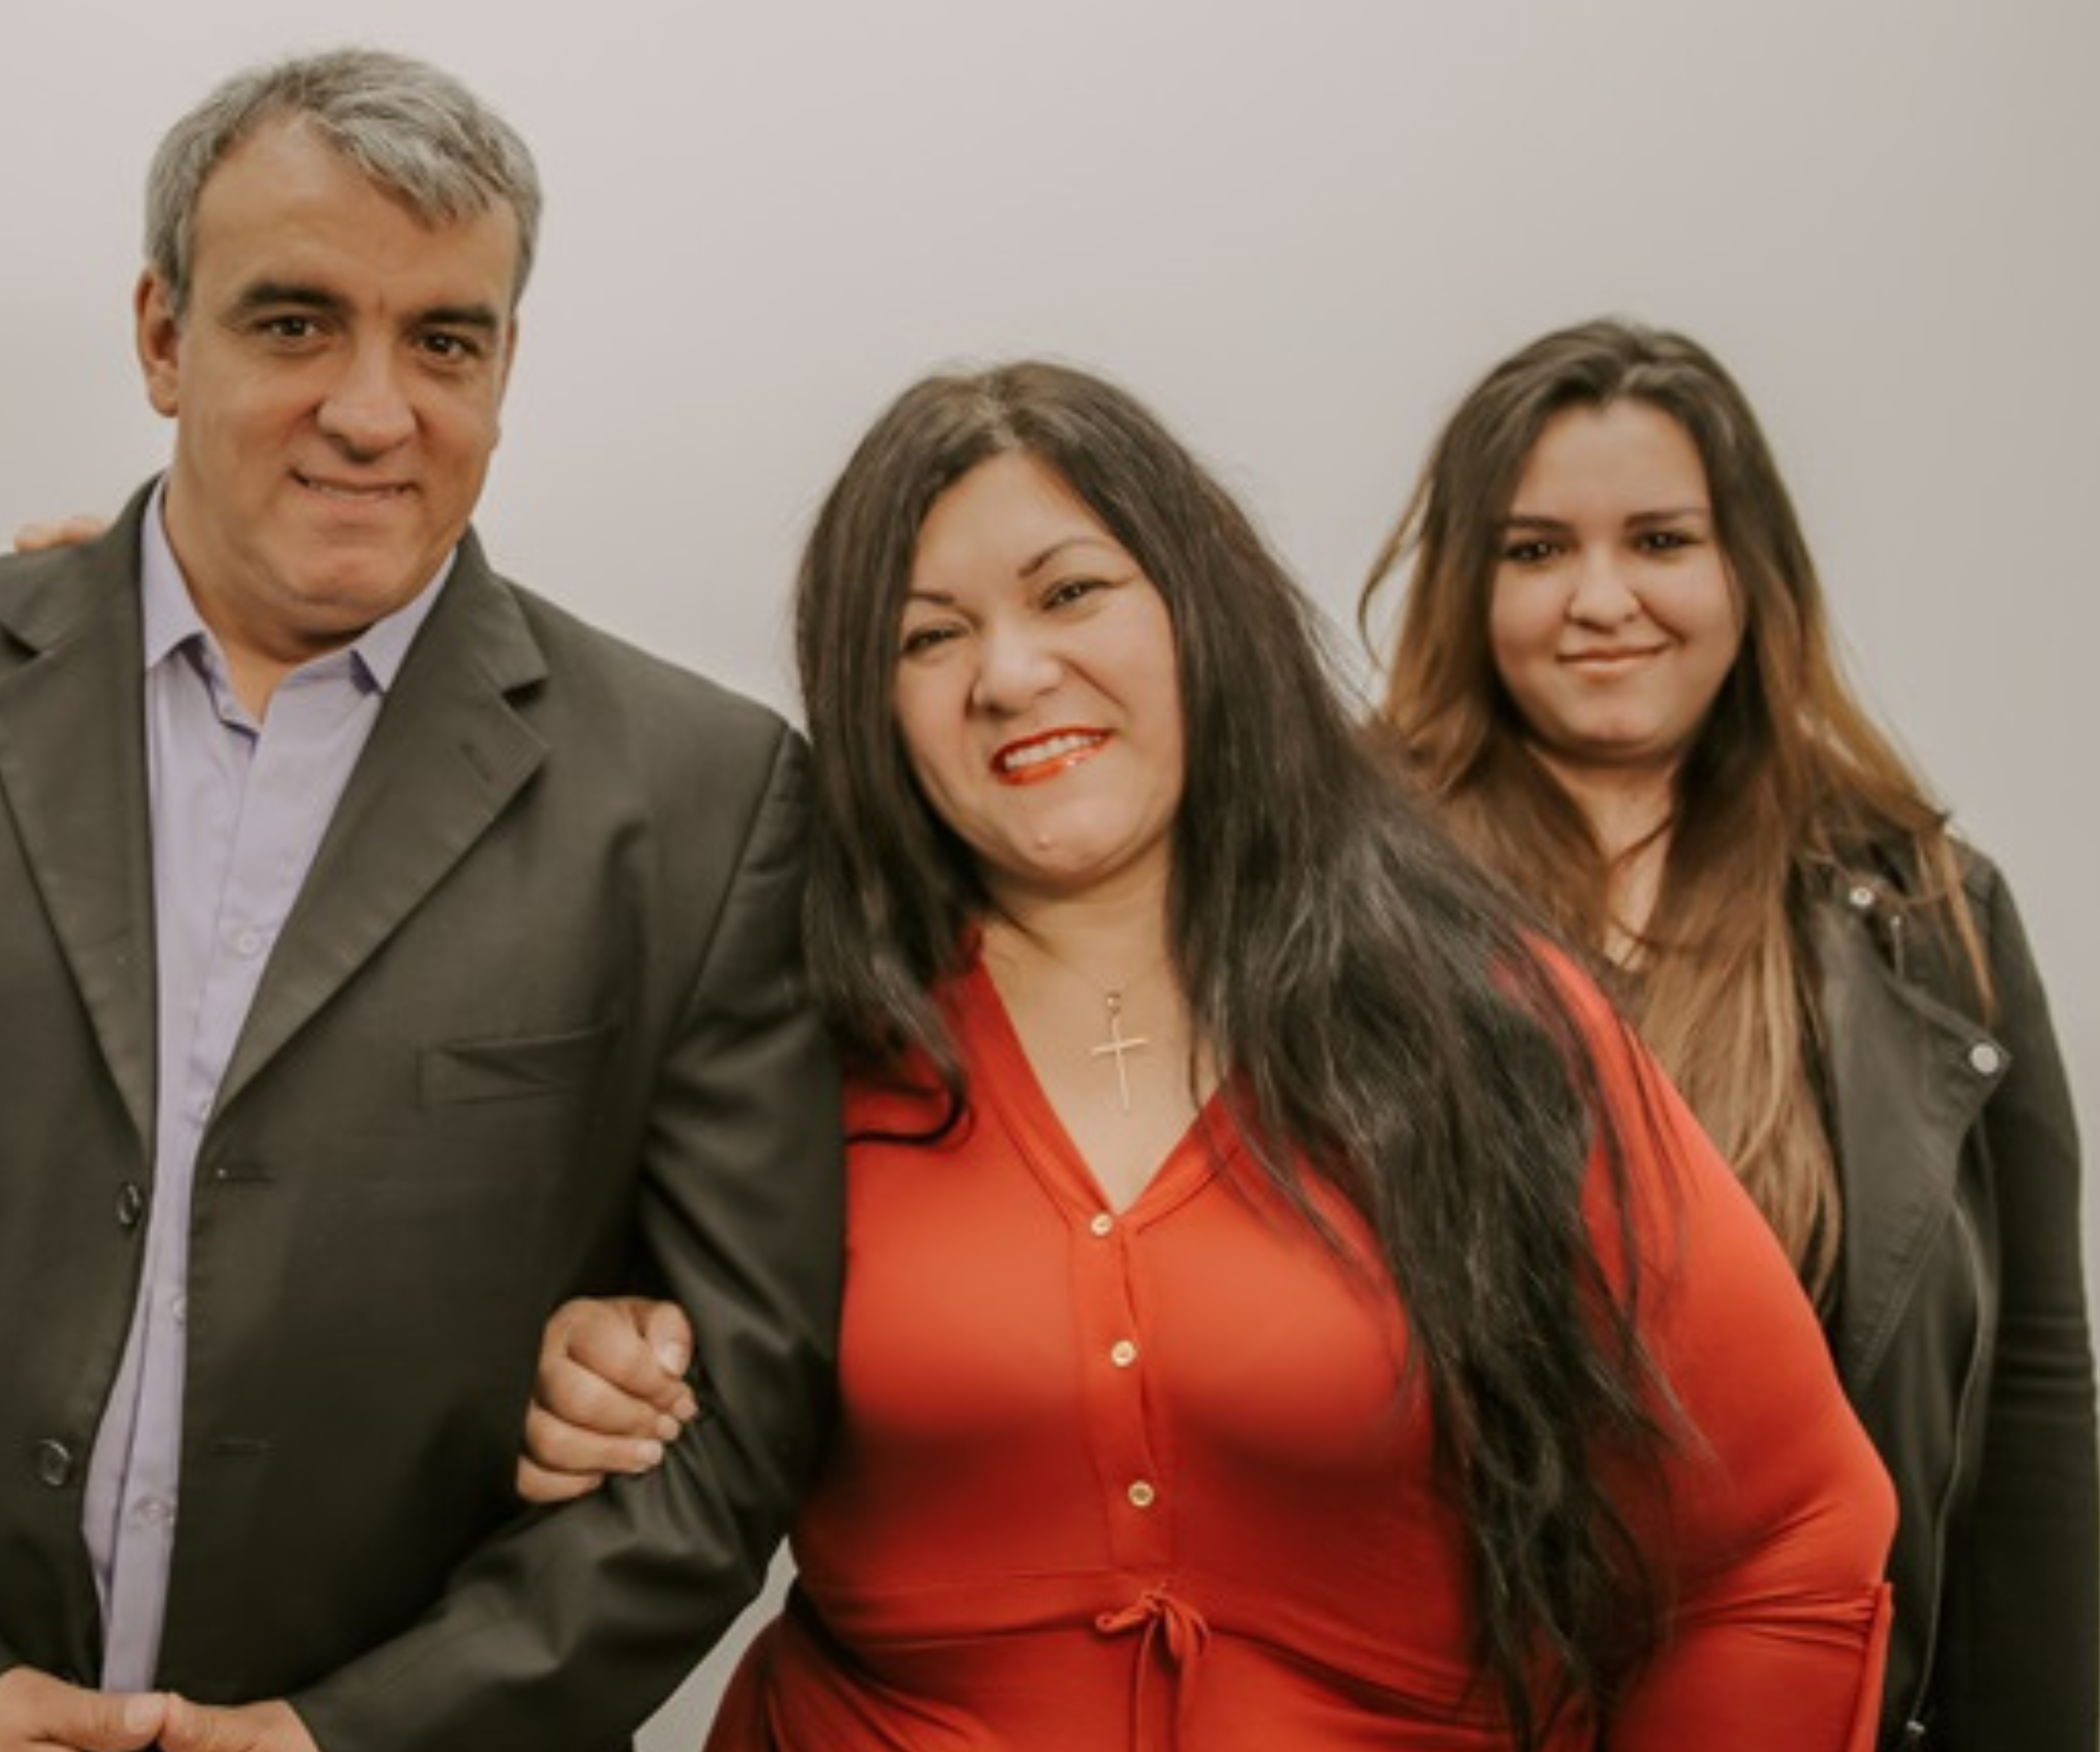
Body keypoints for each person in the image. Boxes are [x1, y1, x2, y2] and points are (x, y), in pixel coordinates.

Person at [0, 47, 843, 1752]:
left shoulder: (701, 800)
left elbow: (733, 1412)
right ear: (165, 336)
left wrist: (359, 1736)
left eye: (444, 341)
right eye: (296, 321)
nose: (375, 407)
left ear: (504, 368)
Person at [520, 360, 1895, 1748]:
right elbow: (629, 1349)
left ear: (1202, 614)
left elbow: (1782, 1540)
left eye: (1070, 593)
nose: (1009, 673)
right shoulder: (790, 1033)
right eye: (926, 637)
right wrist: (590, 1357)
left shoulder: (1488, 1021)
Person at [1360, 318, 2096, 1750]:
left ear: (1749, 576)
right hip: (1439, 1707)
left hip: (1814, 1695)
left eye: (1659, 540)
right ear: (1464, 589)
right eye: (1533, 551)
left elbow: (2034, 1394)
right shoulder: (1351, 896)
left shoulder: (1929, 915)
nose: (1601, 598)